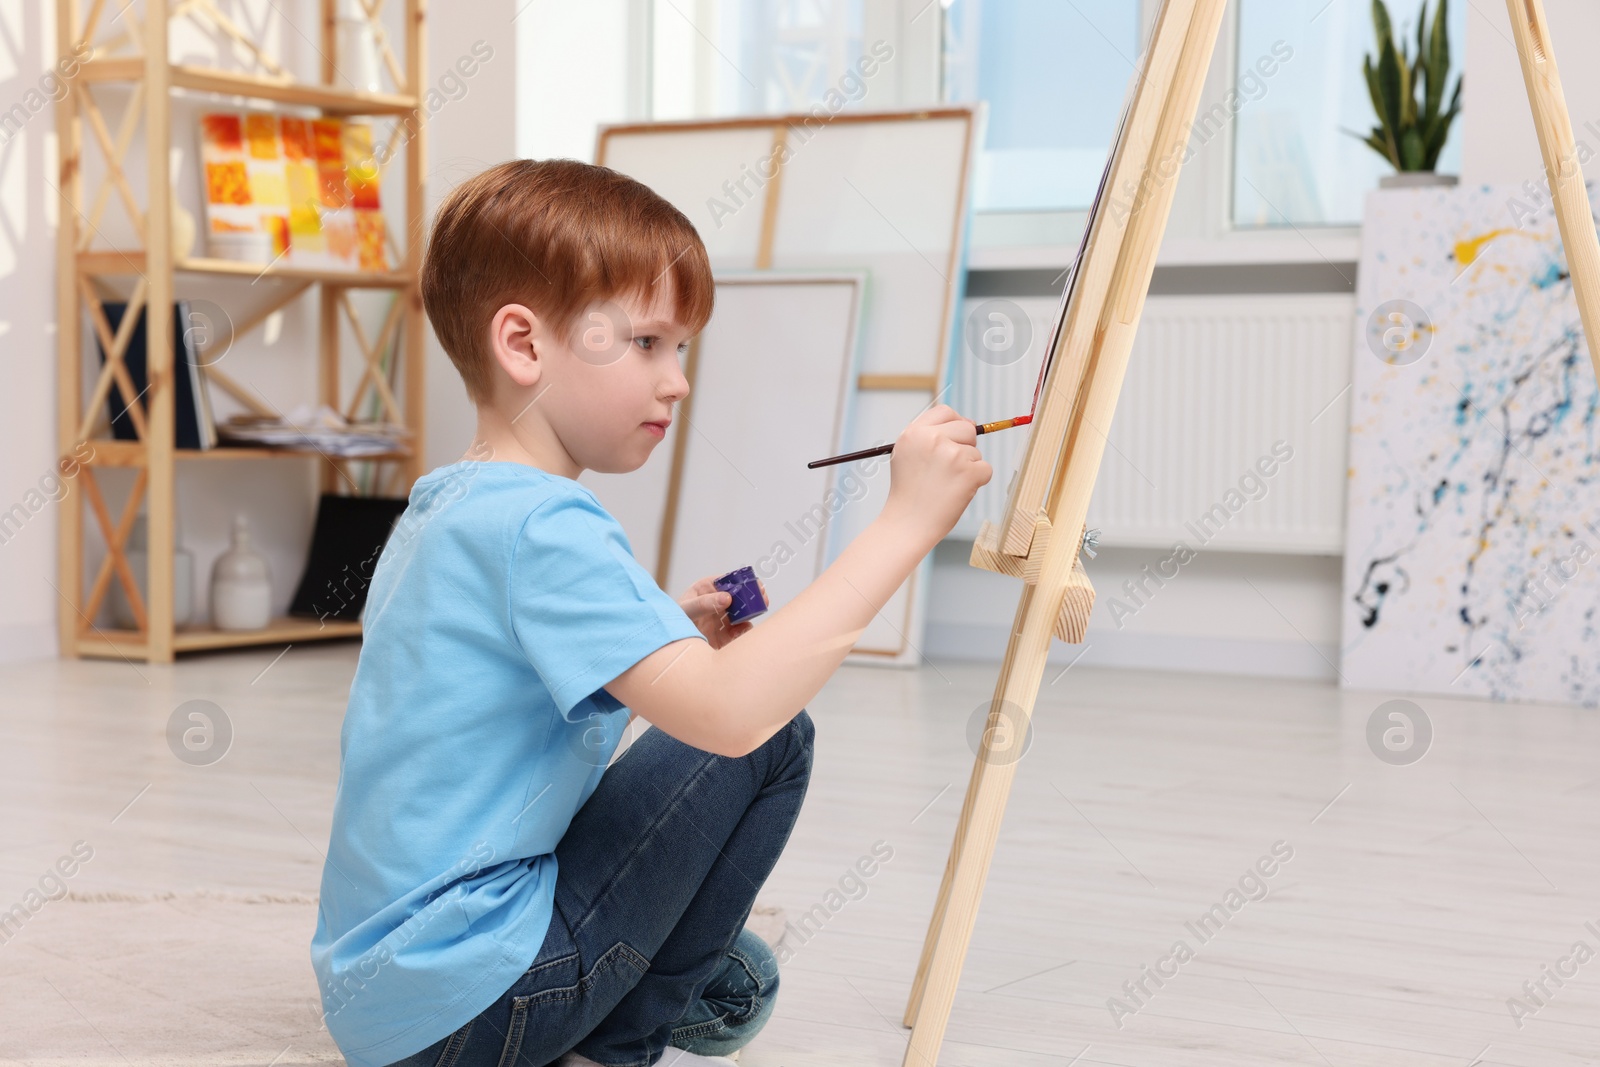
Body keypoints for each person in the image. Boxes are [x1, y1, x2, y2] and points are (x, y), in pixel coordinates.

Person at [310, 157, 992, 1067]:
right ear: (523, 345)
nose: (675, 381)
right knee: (772, 737)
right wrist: (904, 524)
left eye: (681, 350)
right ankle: (615, 1041)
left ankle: (637, 995)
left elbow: (480, 705)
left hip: (384, 1001)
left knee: (718, 804)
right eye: (646, 344)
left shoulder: (449, 506)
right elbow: (732, 713)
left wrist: (657, 627)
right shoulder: (546, 522)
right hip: (478, 1010)